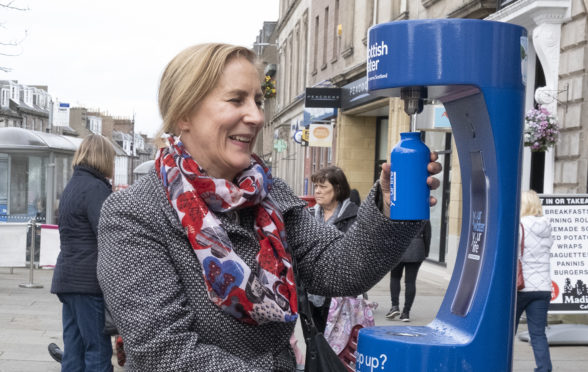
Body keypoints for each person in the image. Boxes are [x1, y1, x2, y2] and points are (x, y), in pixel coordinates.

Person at [96, 43, 442, 371]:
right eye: (236, 100)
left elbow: (343, 269)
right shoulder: (134, 213)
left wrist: (387, 203)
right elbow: (166, 352)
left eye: (258, 101)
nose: (257, 116)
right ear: (184, 113)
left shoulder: (269, 193)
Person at [50, 134, 115, 372]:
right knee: (97, 349)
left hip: (67, 279)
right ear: (103, 158)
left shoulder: (73, 185)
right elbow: (107, 235)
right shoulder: (96, 188)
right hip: (88, 283)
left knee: (74, 349)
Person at [307, 166, 359, 333]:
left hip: (339, 292)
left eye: (323, 187)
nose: (317, 191)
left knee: (337, 343)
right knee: (314, 343)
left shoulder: (353, 216)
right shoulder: (308, 215)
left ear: (337, 189)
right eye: (316, 186)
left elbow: (355, 254)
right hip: (310, 293)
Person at [515, 189, 553, 372]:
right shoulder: (546, 225)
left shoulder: (519, 226)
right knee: (538, 334)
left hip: (521, 287)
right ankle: (544, 369)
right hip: (543, 287)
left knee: (506, 333)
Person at [386, 220, 431, 322]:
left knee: (395, 277)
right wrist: (425, 251)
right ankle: (406, 313)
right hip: (416, 247)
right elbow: (427, 234)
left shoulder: (397, 208)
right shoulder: (421, 211)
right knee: (410, 281)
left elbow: (388, 231)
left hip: (397, 246)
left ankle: (394, 306)